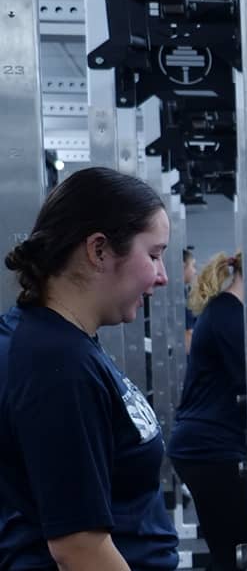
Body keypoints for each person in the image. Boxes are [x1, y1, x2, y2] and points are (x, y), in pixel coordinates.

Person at [0, 167, 179, 570]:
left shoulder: (61, 344)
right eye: (153, 255)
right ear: (99, 250)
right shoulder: (56, 363)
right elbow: (79, 549)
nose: (163, 276)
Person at [167, 251, 247, 571]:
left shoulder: (230, 312)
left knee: (233, 551)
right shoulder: (227, 315)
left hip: (210, 445)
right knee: (234, 554)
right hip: (209, 448)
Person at [183, 247, 197, 353]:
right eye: (193, 266)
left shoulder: (185, 291)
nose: (195, 271)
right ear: (183, 266)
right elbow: (188, 334)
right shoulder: (182, 295)